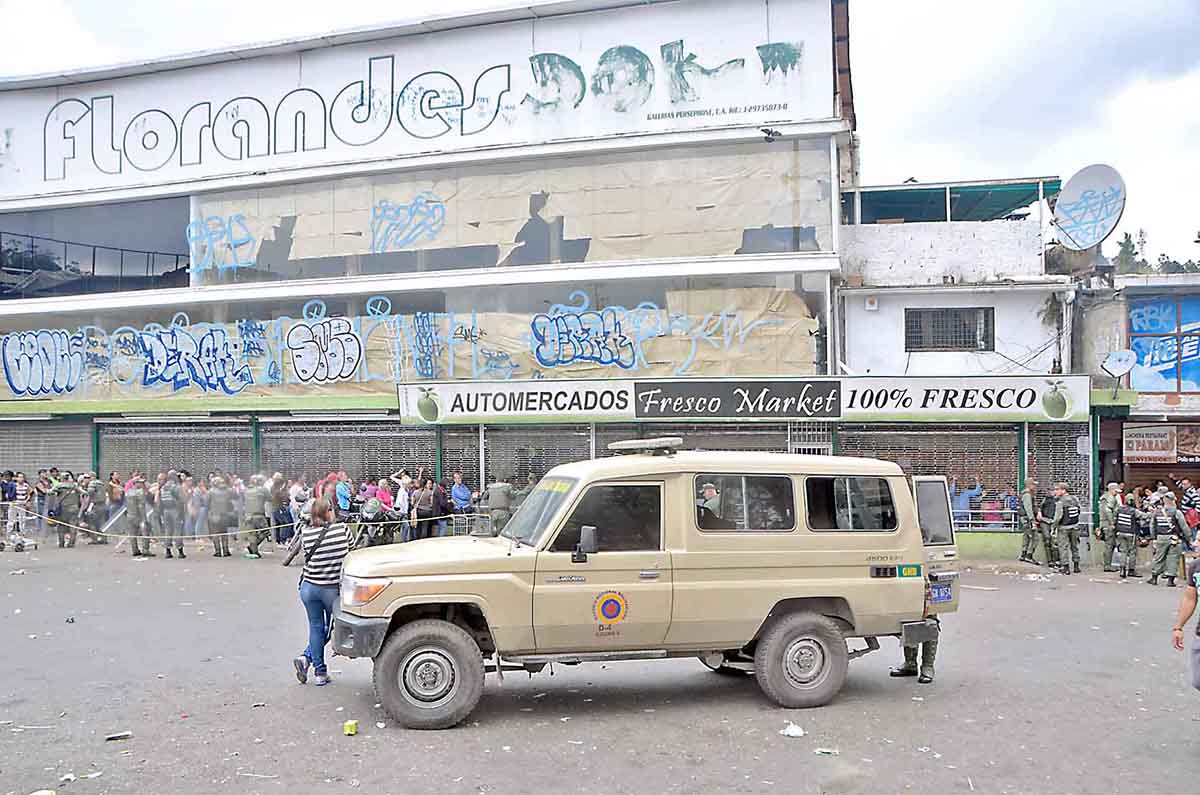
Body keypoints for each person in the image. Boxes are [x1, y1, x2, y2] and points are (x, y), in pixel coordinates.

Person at [293, 498, 350, 687]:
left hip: (308, 588)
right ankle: (309, 661)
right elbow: (351, 553)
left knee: (316, 627)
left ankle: (316, 669)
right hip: (331, 590)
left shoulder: (306, 533)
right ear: (329, 512)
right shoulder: (342, 530)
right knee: (330, 628)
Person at [1171, 553, 1200, 692]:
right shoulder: (1195, 567)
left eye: (1199, 540)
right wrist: (1178, 627)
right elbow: (1190, 599)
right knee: (1198, 681)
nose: (1195, 543)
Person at [1147, 494, 1191, 587]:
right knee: (1173, 558)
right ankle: (1170, 580)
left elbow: (1152, 526)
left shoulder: (1157, 512)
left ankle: (1154, 578)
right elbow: (1184, 527)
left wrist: (1154, 537)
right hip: (1174, 538)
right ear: (1173, 500)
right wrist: (1188, 538)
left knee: (1158, 557)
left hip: (1160, 537)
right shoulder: (1176, 512)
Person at [1112, 498, 1151, 579]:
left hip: (1120, 532)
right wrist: (1152, 513)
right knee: (1132, 552)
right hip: (1131, 533)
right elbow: (1144, 516)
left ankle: (1122, 570)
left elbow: (1114, 519)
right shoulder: (1134, 511)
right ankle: (1131, 570)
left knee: (1123, 551)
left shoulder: (1118, 509)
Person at [1051, 481, 1082, 575]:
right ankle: (1076, 566)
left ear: (1063, 490)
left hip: (1064, 527)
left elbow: (1058, 517)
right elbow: (1079, 510)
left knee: (1063, 547)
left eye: (1057, 489)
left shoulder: (1061, 502)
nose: (1055, 492)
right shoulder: (1075, 499)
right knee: (1075, 546)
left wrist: (1053, 527)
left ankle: (1066, 568)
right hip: (1075, 526)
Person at [124, 474, 155, 558]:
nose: (142, 484)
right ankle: (145, 550)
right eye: (140, 483)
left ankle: (135, 550)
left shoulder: (128, 492)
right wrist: (144, 518)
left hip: (130, 515)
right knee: (145, 531)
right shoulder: (140, 492)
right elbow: (141, 506)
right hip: (139, 515)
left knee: (132, 533)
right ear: (136, 483)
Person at [241, 474, 271, 559]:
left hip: (248, 516)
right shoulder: (263, 490)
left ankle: (254, 550)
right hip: (259, 516)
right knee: (266, 532)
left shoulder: (246, 491)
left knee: (252, 535)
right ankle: (253, 547)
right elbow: (270, 498)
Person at [158, 470, 185, 559]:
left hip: (166, 511)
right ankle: (180, 551)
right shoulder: (176, 487)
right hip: (175, 510)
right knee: (178, 530)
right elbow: (181, 499)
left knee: (168, 531)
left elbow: (160, 501)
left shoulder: (163, 487)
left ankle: (168, 551)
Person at [51, 472, 82, 548]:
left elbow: (50, 492)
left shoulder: (58, 486)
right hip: (74, 508)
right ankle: (71, 543)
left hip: (62, 509)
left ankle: (61, 543)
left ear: (62, 478)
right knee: (73, 526)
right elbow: (83, 492)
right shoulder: (74, 486)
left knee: (61, 526)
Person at [207, 476, 235, 558]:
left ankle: (218, 551)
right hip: (225, 515)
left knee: (215, 534)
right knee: (224, 533)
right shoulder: (227, 491)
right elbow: (234, 496)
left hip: (214, 515)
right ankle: (226, 550)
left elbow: (206, 503)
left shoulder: (211, 492)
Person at [1097, 482, 1122, 573]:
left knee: (1109, 545)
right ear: (1112, 490)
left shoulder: (1104, 497)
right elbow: (1108, 510)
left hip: (1104, 524)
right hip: (1108, 524)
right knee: (1110, 545)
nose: (1117, 493)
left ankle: (1107, 564)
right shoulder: (1110, 498)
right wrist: (1112, 522)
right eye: (1116, 491)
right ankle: (1107, 565)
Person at [1018, 479, 1041, 565]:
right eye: (1034, 484)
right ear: (1029, 485)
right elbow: (1028, 508)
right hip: (1028, 519)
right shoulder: (1027, 495)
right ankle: (1029, 556)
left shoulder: (1027, 494)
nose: (1035, 486)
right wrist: (1032, 520)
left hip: (1025, 519)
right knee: (1035, 538)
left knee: (1027, 536)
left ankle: (1023, 555)